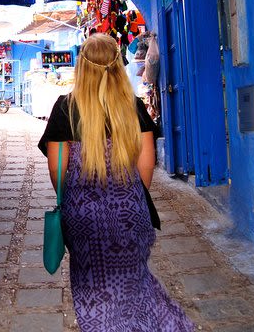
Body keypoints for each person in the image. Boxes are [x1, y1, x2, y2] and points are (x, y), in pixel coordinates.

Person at [38, 34, 195, 331]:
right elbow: (146, 165)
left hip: (84, 222)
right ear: (117, 67)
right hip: (131, 215)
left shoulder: (64, 108)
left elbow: (58, 171)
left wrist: (76, 200)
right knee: (136, 286)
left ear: (81, 68)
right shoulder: (133, 107)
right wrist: (127, 197)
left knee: (93, 291)